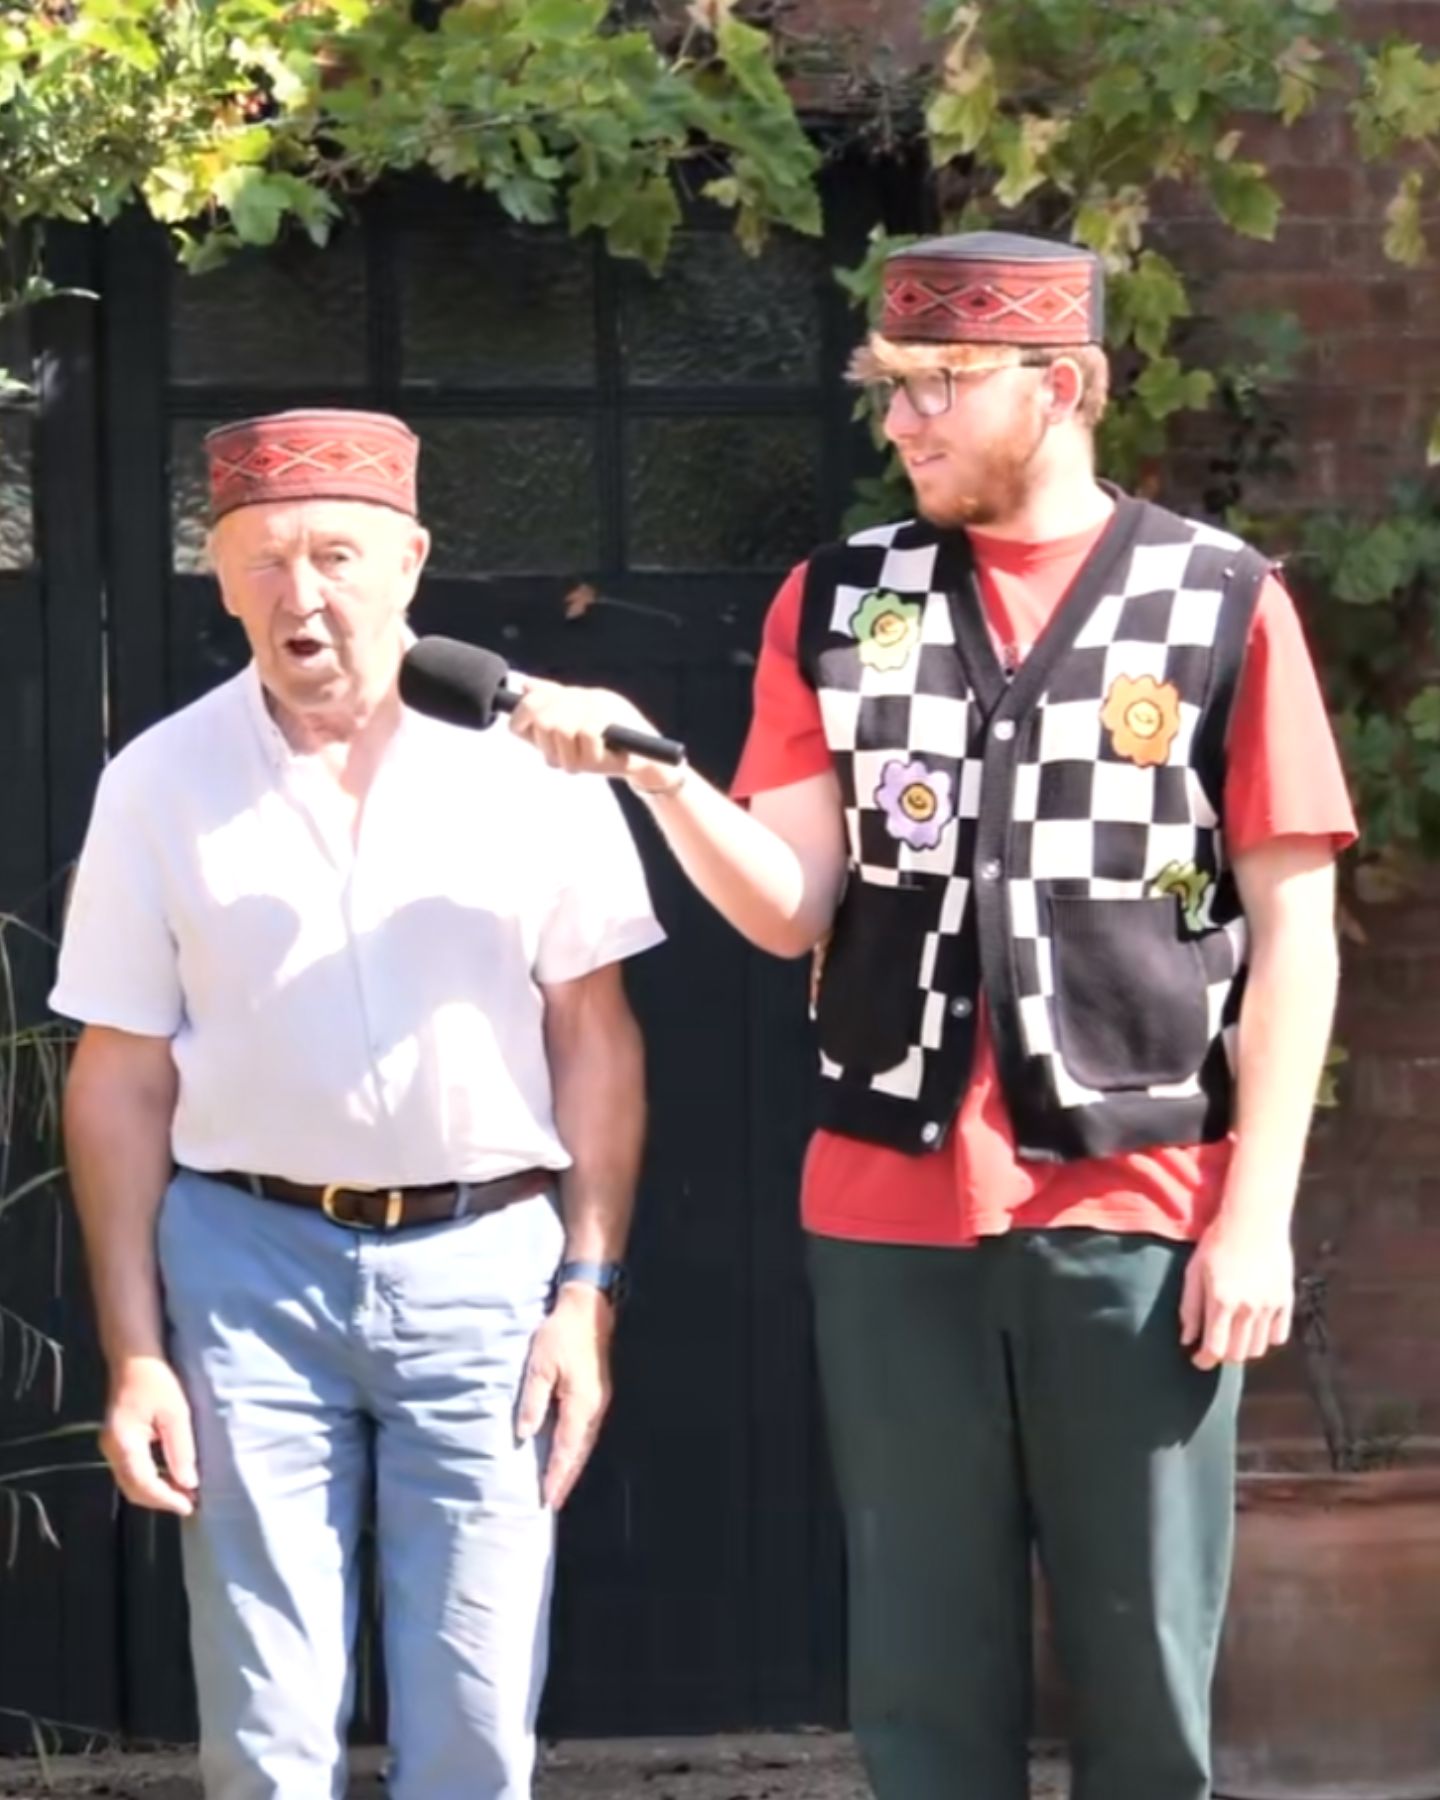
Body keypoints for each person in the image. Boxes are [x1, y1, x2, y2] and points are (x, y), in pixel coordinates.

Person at [507, 232, 1357, 1800]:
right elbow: (791, 909)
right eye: (889, 393)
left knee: (1147, 1668)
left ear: (1065, 384)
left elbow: (1293, 931)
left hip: (1143, 1208)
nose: (903, 427)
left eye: (940, 390)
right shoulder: (837, 600)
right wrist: (662, 776)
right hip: (887, 1212)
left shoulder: (1221, 598)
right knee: (919, 1675)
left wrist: (1257, 1221)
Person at [51, 408, 664, 1800]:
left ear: (411, 563)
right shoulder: (157, 782)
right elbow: (121, 1076)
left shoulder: (533, 761)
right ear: (217, 578)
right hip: (246, 1269)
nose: (301, 592)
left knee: (477, 1710)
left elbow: (596, 1039)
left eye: (335, 552)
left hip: (488, 1268)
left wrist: (587, 1290)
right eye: (262, 559)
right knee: (265, 1728)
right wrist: (135, 1352)